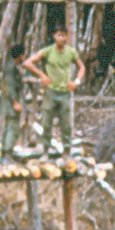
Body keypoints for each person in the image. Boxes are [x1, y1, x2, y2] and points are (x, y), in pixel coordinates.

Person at [23, 24, 85, 157]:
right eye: (58, 35)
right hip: (50, 92)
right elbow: (28, 63)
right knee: (47, 123)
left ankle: (67, 152)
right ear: (54, 36)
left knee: (66, 124)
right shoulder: (48, 51)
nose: (61, 38)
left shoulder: (71, 52)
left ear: (67, 37)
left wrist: (76, 82)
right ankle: (45, 151)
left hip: (65, 93)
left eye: (63, 35)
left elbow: (82, 68)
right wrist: (42, 75)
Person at [0, 43, 25, 163]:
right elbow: (9, 87)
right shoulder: (11, 68)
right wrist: (15, 102)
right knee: (12, 128)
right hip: (10, 104)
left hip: (8, 103)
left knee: (9, 127)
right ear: (20, 55)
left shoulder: (11, 67)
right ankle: (7, 155)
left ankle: (4, 153)